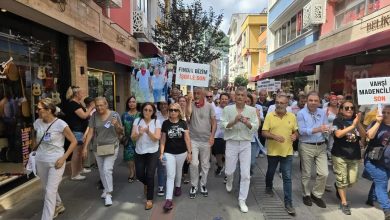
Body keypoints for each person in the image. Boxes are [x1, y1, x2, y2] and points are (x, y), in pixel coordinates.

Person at [34, 98, 78, 220]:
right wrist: (31, 155)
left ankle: (46, 217)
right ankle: (58, 205)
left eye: (39, 109)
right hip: (40, 160)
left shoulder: (61, 124)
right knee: (47, 188)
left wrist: (64, 158)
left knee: (49, 192)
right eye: (37, 108)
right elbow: (36, 141)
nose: (37, 111)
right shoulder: (37, 122)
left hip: (56, 161)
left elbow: (74, 141)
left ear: (49, 110)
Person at [221, 86, 259, 213]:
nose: (240, 97)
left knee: (245, 174)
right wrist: (234, 121)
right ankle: (229, 179)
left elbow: (255, 127)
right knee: (229, 170)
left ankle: (242, 200)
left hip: (245, 143)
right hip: (231, 143)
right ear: (234, 96)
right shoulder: (227, 109)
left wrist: (245, 122)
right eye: (238, 95)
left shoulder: (252, 110)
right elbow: (223, 125)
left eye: (242, 95)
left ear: (246, 97)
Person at [83, 97, 124, 207]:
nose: (99, 107)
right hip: (98, 147)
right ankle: (106, 189)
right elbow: (91, 132)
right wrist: (85, 147)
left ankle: (109, 194)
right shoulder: (94, 116)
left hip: (112, 146)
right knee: (101, 170)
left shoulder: (114, 115)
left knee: (107, 169)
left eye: (101, 105)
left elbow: (121, 131)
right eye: (97, 106)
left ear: (106, 105)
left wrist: (116, 125)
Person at [262, 94, 298, 216]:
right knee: (271, 171)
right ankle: (268, 186)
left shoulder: (292, 116)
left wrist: (295, 136)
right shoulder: (270, 116)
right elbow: (264, 132)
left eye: (282, 103)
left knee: (287, 177)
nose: (279, 104)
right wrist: (274, 136)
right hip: (273, 151)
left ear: (287, 104)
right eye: (277, 102)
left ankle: (288, 203)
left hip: (287, 151)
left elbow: (295, 131)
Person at [332, 101, 365, 215]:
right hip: (339, 155)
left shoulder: (356, 121)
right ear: (341, 110)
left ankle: (338, 185)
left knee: (352, 181)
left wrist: (358, 123)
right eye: (346, 108)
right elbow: (338, 134)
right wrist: (352, 126)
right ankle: (344, 203)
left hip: (354, 155)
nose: (350, 109)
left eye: (352, 108)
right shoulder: (337, 121)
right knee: (342, 180)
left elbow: (364, 136)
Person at [297, 91, 329, 208]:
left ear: (319, 102)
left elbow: (325, 126)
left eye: (316, 101)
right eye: (311, 100)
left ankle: (317, 194)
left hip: (321, 145)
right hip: (306, 145)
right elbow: (302, 131)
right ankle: (306, 194)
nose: (313, 103)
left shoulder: (322, 112)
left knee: (324, 173)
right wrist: (318, 129)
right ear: (307, 101)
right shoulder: (301, 113)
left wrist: (327, 130)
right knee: (306, 173)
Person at [160, 103, 192, 211]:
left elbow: (187, 139)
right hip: (168, 153)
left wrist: (189, 152)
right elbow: (163, 139)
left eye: (175, 110)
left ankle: (178, 186)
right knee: (170, 174)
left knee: (178, 171)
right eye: (171, 110)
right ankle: (168, 200)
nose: (173, 112)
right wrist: (161, 152)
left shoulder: (183, 123)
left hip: (181, 152)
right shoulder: (165, 123)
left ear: (179, 112)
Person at [186, 87, 216, 199]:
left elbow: (214, 123)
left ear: (203, 94)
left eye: (199, 93)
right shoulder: (192, 104)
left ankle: (203, 184)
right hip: (193, 139)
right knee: (194, 163)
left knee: (205, 164)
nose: (197, 95)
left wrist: (212, 136)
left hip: (206, 140)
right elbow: (187, 115)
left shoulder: (209, 106)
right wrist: (189, 101)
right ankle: (194, 185)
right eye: (195, 93)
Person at [131, 102, 161, 210]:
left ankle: (149, 199)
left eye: (150, 110)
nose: (147, 112)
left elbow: (156, 138)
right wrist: (139, 133)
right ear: (142, 110)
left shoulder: (157, 122)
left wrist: (148, 132)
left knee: (150, 175)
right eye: (145, 110)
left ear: (153, 112)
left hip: (153, 151)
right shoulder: (137, 121)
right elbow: (133, 138)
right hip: (139, 151)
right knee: (139, 175)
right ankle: (147, 184)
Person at [364, 105, 390, 220]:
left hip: (388, 163)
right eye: (383, 112)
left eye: (389, 113)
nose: (385, 115)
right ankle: (387, 211)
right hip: (373, 160)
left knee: (379, 181)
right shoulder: (375, 123)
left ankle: (370, 199)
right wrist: (378, 123)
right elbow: (369, 136)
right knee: (382, 183)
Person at [64, 86, 95, 181]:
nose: (82, 94)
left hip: (80, 130)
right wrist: (91, 107)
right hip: (76, 131)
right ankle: (74, 174)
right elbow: (84, 115)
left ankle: (80, 168)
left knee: (80, 151)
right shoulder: (73, 104)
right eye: (81, 92)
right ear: (76, 94)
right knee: (76, 153)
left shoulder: (77, 103)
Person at [121, 96, 140, 183]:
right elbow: (122, 127)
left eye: (133, 102)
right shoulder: (124, 115)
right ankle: (132, 173)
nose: (131, 103)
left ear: (136, 103)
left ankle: (138, 173)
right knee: (129, 157)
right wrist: (121, 136)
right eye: (130, 102)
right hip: (128, 139)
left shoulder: (140, 114)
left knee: (138, 157)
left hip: (139, 139)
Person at [213, 93, 229, 176]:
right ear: (220, 99)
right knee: (218, 153)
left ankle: (227, 171)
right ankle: (220, 165)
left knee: (227, 154)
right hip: (217, 135)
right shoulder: (215, 110)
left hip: (229, 136)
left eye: (226, 99)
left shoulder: (231, 110)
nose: (224, 100)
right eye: (223, 99)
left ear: (228, 100)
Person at [246, 93, 261, 176]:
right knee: (243, 162)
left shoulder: (255, 110)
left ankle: (250, 170)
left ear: (251, 102)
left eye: (248, 101)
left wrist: (248, 122)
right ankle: (242, 180)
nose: (247, 103)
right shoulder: (239, 110)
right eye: (245, 101)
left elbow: (258, 125)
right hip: (243, 139)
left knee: (252, 162)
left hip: (252, 140)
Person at [156, 100, 169, 196]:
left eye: (165, 104)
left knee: (169, 166)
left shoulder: (173, 113)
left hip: (172, 143)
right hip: (159, 143)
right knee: (161, 164)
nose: (163, 105)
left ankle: (170, 184)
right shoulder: (155, 115)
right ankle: (161, 186)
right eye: (161, 104)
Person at [178, 96, 190, 184]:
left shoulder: (188, 111)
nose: (182, 103)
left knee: (187, 156)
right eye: (180, 101)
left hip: (188, 136)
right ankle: (179, 173)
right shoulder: (175, 111)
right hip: (177, 137)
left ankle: (185, 174)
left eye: (184, 101)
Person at [324, 95, 339, 160]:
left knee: (335, 144)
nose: (334, 101)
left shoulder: (340, 109)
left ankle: (333, 157)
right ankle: (328, 157)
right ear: (329, 101)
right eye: (332, 100)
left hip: (338, 130)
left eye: (336, 99)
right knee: (328, 144)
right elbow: (323, 120)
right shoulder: (325, 109)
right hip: (328, 130)